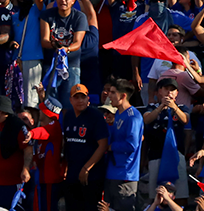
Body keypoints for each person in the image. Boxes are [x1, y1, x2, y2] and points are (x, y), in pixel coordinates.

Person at [61, 83, 108, 210]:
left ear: (88, 99)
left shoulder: (95, 116)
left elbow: (103, 145)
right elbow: (67, 142)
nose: (80, 100)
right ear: (70, 100)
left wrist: (87, 168)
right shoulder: (68, 116)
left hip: (91, 175)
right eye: (76, 97)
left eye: (83, 97)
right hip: (72, 173)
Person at [0, 95, 33, 210]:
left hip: (12, 184)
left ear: (0, 110)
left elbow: (28, 148)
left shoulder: (17, 126)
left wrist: (26, 168)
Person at [105, 79, 143, 211]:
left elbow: (131, 145)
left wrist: (110, 147)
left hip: (125, 175)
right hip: (114, 172)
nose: (109, 95)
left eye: (113, 92)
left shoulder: (133, 117)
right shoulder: (119, 114)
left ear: (123, 96)